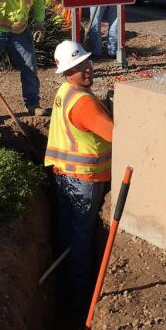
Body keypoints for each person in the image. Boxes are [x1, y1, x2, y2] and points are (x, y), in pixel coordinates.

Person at [46, 40, 113, 311]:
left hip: (63, 176)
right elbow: (116, 135)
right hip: (84, 179)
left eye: (86, 62)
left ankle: (64, 285)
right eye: (78, 66)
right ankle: (81, 297)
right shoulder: (84, 103)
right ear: (66, 72)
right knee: (82, 239)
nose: (87, 69)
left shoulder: (65, 91)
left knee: (68, 231)